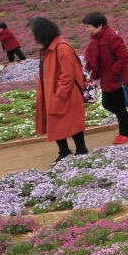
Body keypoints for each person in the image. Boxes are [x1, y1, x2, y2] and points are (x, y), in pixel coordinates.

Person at [28, 17, 88, 162]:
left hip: (64, 93)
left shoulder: (61, 47)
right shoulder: (47, 47)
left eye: (32, 33)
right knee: (55, 123)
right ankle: (65, 151)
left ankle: (81, 150)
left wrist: (59, 94)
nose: (32, 37)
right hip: (54, 92)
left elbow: (67, 75)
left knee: (72, 121)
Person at [83, 12, 128, 145]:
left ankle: (125, 133)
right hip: (105, 78)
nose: (87, 29)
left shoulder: (112, 37)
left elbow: (124, 57)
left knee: (119, 107)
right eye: (86, 27)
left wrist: (114, 72)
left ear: (100, 25)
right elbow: (92, 57)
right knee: (107, 104)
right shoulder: (95, 39)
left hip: (116, 78)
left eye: (89, 26)